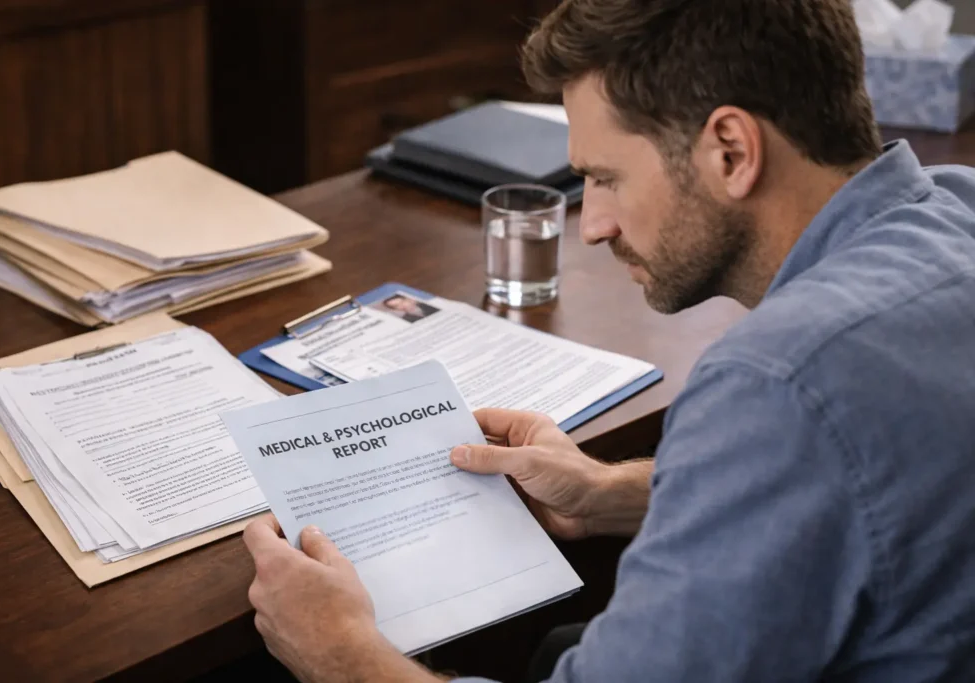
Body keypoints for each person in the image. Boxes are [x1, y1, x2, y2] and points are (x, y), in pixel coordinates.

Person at [240, 0, 975, 681]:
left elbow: (805, 433)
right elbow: (868, 488)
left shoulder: (775, 382)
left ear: (730, 150)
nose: (591, 225)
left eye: (604, 178)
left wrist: (345, 656)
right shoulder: (955, 209)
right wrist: (613, 493)